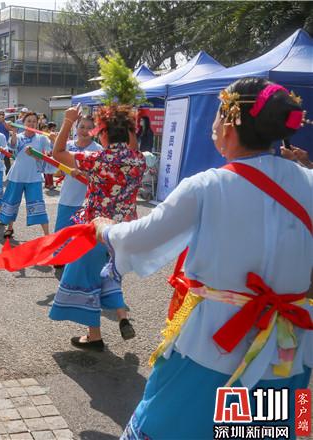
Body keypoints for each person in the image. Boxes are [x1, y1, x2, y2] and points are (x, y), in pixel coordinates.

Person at [91, 78, 313, 438]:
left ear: (229, 123)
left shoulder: (208, 186)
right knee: (267, 429)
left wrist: (105, 229)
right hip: (290, 347)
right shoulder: (309, 182)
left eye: (217, 115)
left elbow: (143, 237)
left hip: (213, 343)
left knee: (169, 425)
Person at [49, 104, 145, 351]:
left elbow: (58, 152)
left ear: (103, 134)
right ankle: (121, 317)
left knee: (87, 280)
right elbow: (132, 146)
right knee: (110, 275)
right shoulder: (138, 159)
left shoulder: (97, 159)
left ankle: (94, 336)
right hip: (124, 233)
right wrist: (126, 121)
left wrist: (67, 121)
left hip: (96, 230)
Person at [0, 111, 52, 238]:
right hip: (17, 176)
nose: (31, 123)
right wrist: (14, 132)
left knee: (38, 204)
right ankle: (10, 228)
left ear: (38, 123)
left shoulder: (42, 138)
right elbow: (12, 147)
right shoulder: (19, 136)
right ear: (23, 123)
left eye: (34, 121)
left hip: (34, 177)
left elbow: (48, 156)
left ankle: (47, 234)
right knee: (12, 202)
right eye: (29, 121)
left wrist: (35, 155)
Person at [53, 115, 101, 233]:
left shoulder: (99, 150)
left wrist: (85, 174)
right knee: (61, 236)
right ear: (76, 128)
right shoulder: (67, 146)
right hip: (67, 199)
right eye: (82, 127)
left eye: (89, 128)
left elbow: (101, 178)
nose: (85, 131)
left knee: (84, 238)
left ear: (95, 130)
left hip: (88, 203)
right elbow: (55, 170)